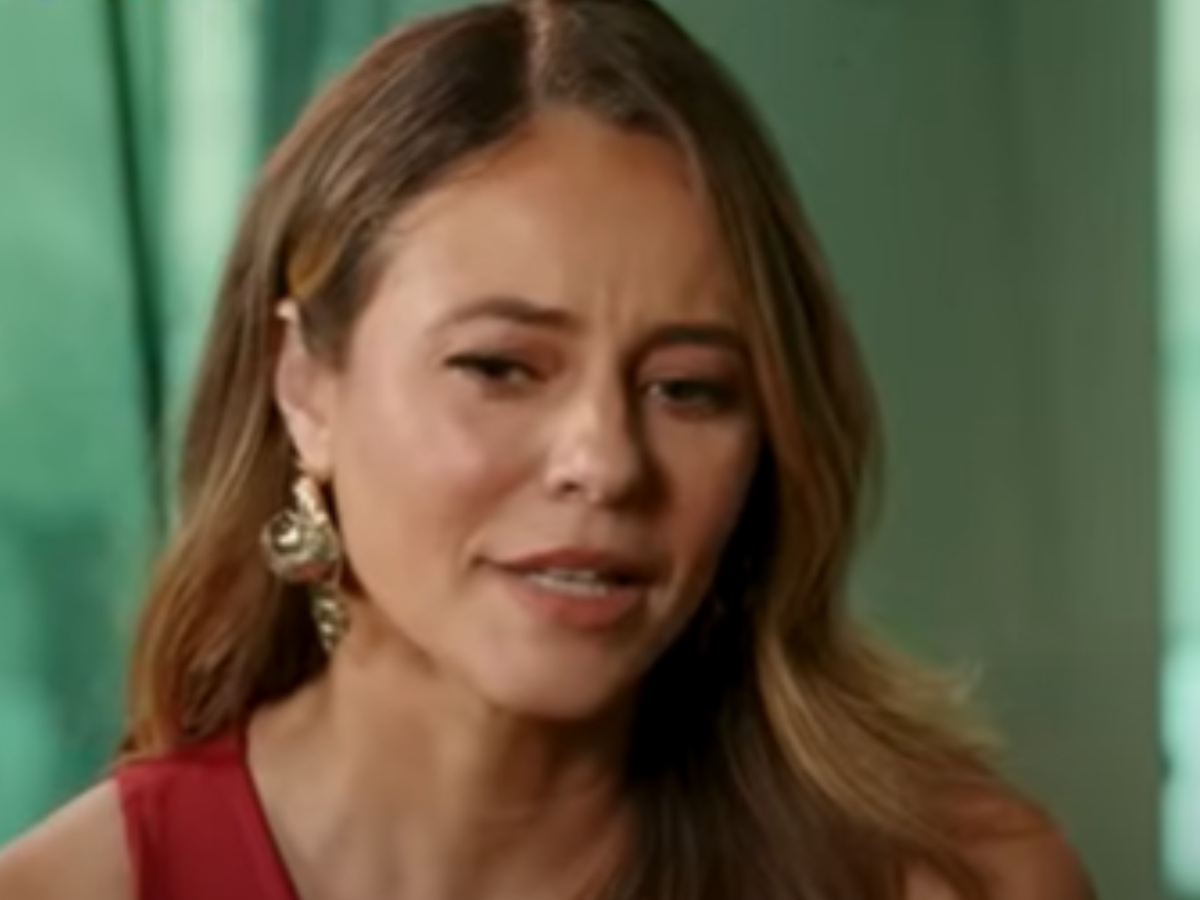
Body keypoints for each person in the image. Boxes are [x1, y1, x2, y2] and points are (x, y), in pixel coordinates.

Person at [0, 0, 1093, 897]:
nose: (606, 462)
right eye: (500, 367)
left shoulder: (958, 885)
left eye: (688, 389)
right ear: (306, 387)